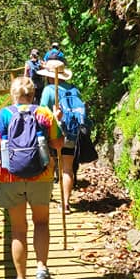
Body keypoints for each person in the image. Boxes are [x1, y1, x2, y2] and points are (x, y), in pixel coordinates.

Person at [0, 76, 63, 279]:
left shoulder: (3, 115)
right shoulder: (44, 113)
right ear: (33, 94)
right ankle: (41, 269)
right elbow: (58, 144)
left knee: (18, 230)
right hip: (41, 176)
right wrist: (57, 121)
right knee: (41, 222)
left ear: (13, 95)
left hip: (10, 178)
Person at [39, 59, 87, 213]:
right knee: (67, 169)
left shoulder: (49, 90)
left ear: (49, 76)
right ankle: (65, 203)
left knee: (50, 165)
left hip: (54, 134)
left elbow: (42, 114)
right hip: (72, 133)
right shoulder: (74, 89)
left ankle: (46, 196)